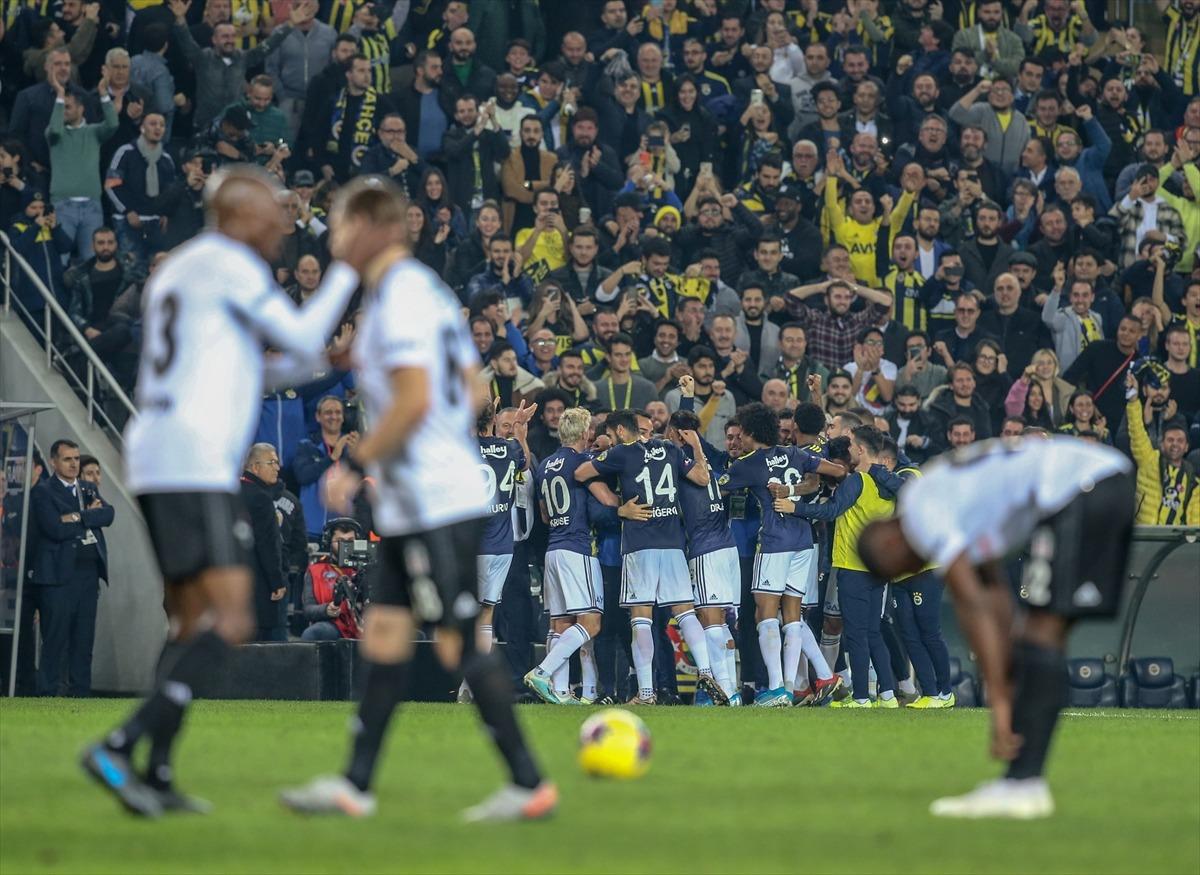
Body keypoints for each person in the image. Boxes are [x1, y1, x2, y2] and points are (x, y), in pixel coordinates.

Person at [81, 166, 368, 817]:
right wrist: (347, 267)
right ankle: (120, 746)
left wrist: (327, 361)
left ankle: (154, 772)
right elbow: (295, 336)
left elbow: (263, 364)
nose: (283, 226)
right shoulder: (232, 265)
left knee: (187, 620)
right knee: (229, 617)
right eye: (275, 213)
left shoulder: (182, 270)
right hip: (193, 458)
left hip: (158, 451)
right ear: (240, 213)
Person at [281, 177, 555, 822]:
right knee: (385, 634)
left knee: (459, 638)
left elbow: (414, 397)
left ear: (374, 227)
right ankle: (355, 784)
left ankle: (527, 782)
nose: (335, 238)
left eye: (343, 226)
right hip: (418, 500)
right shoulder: (425, 293)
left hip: (435, 499)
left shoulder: (401, 295)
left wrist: (357, 460)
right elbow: (466, 383)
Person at [859, 436, 1136, 819]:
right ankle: (1024, 781)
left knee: (1043, 632)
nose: (914, 568)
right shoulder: (950, 499)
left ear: (889, 540)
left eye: (903, 566)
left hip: (1076, 488)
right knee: (1038, 633)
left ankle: (1022, 785)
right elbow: (995, 594)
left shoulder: (922, 510)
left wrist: (1001, 705)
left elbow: (972, 604)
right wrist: (1007, 664)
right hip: (1102, 480)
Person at [573, 409, 728, 707]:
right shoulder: (669, 449)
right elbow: (701, 476)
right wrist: (695, 444)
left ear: (619, 430)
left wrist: (618, 503)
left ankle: (646, 693)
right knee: (685, 612)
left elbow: (580, 473)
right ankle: (707, 672)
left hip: (639, 543)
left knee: (640, 618)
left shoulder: (621, 453)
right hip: (673, 544)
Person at [719, 403, 845, 706]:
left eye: (743, 435)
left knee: (765, 613)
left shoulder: (748, 464)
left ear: (750, 433)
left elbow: (714, 488)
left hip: (774, 542)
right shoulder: (794, 453)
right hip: (804, 540)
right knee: (791, 615)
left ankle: (777, 687)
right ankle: (795, 685)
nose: (741, 441)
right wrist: (794, 489)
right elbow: (837, 471)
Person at [777, 425, 899, 709]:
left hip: (852, 567)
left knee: (855, 634)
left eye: (852, 445)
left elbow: (830, 511)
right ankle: (888, 695)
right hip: (878, 567)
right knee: (873, 631)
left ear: (860, 449)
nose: (848, 449)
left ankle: (860, 697)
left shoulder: (857, 481)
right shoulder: (889, 483)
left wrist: (795, 508)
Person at [523, 407, 628, 704]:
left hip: (553, 550)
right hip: (578, 549)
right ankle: (542, 672)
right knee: (592, 623)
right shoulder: (582, 461)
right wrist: (628, 503)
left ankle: (560, 691)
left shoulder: (544, 465)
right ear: (586, 434)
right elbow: (607, 500)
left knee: (561, 624)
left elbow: (544, 515)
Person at [30, 439, 113, 697]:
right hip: (58, 577)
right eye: (67, 459)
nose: (74, 463)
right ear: (54, 462)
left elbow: (108, 515)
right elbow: (54, 529)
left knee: (83, 640)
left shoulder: (88, 488)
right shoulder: (44, 491)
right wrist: (88, 516)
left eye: (76, 458)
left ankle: (81, 694)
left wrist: (76, 516)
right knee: (55, 639)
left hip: (88, 576)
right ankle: (47, 693)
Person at [241, 443, 288, 642]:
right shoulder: (260, 498)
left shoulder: (233, 491)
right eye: (272, 462)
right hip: (259, 584)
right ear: (255, 467)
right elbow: (267, 543)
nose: (277, 467)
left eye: (277, 462)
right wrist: (276, 580)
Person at [300, 518, 365, 642]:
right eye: (340, 541)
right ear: (328, 542)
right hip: (335, 626)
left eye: (351, 541)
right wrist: (327, 609)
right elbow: (308, 610)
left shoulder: (369, 568)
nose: (346, 546)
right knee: (314, 633)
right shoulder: (316, 570)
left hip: (371, 624)